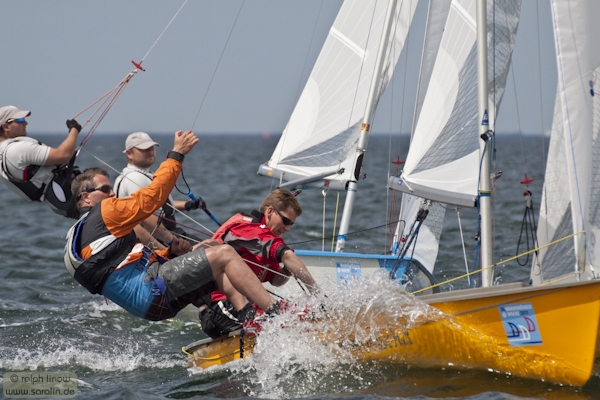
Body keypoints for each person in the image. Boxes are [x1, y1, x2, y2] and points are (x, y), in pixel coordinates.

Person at [64, 130, 278, 322]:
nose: (112, 194)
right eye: (105, 190)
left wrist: (169, 252)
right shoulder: (105, 212)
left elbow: (120, 269)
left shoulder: (74, 240)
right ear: (86, 197)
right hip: (154, 291)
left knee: (211, 251)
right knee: (225, 253)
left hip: (148, 304)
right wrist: (177, 154)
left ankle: (240, 319)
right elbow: (153, 198)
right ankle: (274, 314)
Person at [198, 189, 318, 338]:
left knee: (302, 313)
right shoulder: (247, 228)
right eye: (286, 221)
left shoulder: (265, 238)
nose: (288, 228)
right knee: (285, 323)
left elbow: (275, 280)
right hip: (218, 309)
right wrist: (317, 294)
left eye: (291, 224)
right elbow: (287, 255)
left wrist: (286, 271)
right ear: (270, 211)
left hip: (246, 307)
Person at [114, 131, 203, 249]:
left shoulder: (141, 174)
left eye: (151, 148)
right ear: (129, 154)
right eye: (144, 149)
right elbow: (146, 218)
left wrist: (187, 205)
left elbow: (158, 206)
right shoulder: (135, 177)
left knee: (215, 245)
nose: (150, 151)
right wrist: (170, 245)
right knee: (218, 250)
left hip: (169, 235)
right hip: (163, 239)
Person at [0, 105, 82, 218]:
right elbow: (63, 155)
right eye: (20, 120)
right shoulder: (17, 149)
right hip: (69, 196)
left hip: (61, 201)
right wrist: (74, 130)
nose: (25, 123)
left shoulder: (4, 151)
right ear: (6, 127)